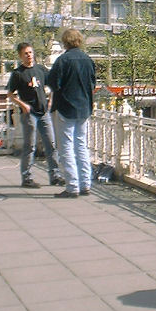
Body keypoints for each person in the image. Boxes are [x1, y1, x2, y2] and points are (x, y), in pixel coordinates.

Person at [7, 43, 65, 189]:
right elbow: (10, 94)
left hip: (43, 112)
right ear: (21, 55)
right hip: (29, 114)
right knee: (30, 146)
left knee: (51, 144)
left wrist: (51, 99)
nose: (29, 55)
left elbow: (52, 84)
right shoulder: (18, 74)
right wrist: (22, 104)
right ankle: (26, 177)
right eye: (26, 53)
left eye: (31, 52)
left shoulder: (40, 69)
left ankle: (55, 175)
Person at [47, 28, 97, 198]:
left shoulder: (62, 60)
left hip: (66, 107)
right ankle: (85, 184)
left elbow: (52, 82)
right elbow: (92, 83)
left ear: (65, 42)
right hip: (84, 108)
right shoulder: (88, 60)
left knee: (66, 147)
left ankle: (72, 186)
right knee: (81, 146)